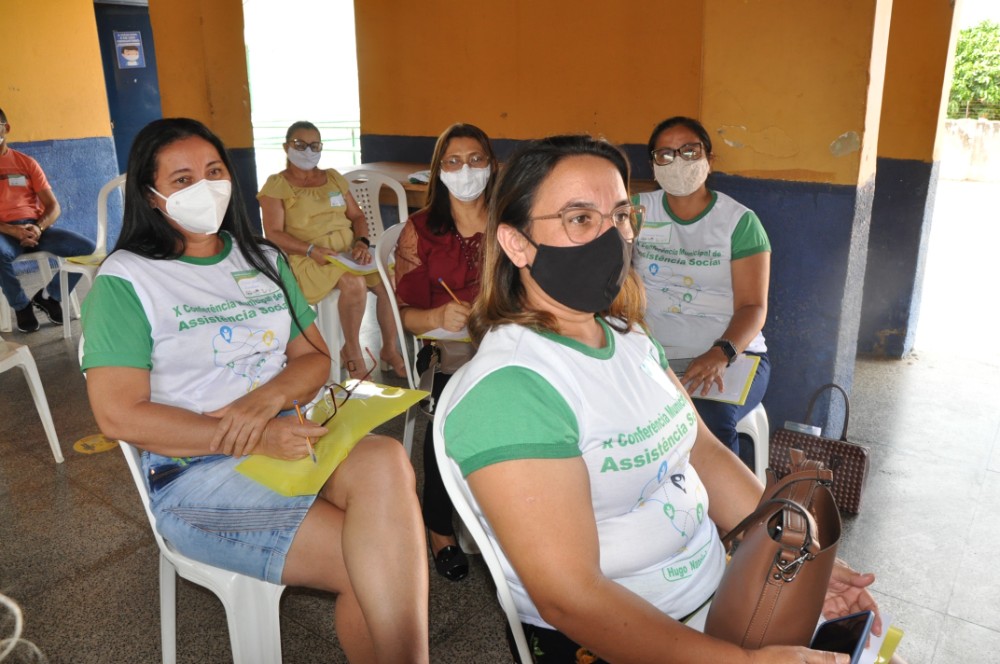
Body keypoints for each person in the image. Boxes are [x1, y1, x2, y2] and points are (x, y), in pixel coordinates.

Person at [439, 134, 893, 663]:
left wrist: (800, 560)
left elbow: (704, 453)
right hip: (623, 637)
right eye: (580, 218)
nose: (611, 238)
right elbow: (571, 597)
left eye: (620, 215)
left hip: (720, 588)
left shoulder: (627, 336)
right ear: (517, 243)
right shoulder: (511, 393)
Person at [81, 117, 429, 664]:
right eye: (182, 179)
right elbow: (120, 416)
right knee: (380, 562)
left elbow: (315, 357)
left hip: (290, 434)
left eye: (215, 171)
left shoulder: (264, 260)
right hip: (194, 469)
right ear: (150, 197)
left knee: (385, 461)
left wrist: (263, 404)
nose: (205, 187)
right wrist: (252, 435)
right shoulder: (128, 281)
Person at [632, 116, 772, 468]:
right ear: (652, 163)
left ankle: (728, 520)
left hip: (730, 355)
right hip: (650, 355)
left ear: (709, 158)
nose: (677, 161)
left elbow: (753, 306)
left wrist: (720, 353)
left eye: (689, 151)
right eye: (664, 154)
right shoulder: (634, 211)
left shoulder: (739, 222)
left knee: (707, 420)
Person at [394, 123, 497, 581]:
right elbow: (404, 316)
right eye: (453, 161)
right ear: (439, 171)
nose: (466, 171)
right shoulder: (420, 231)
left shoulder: (511, 220)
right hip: (449, 353)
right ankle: (440, 529)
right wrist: (437, 317)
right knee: (450, 415)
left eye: (476, 159)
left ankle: (507, 514)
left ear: (492, 165)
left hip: (506, 343)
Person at [258, 121, 406, 380]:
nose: (308, 151)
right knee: (354, 284)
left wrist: (361, 243)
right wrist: (311, 249)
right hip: (306, 257)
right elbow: (273, 234)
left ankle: (389, 350)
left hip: (346, 253)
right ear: (286, 147)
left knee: (390, 281)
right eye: (300, 145)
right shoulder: (277, 185)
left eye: (314, 145)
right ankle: (352, 352)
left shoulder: (333, 178)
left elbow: (358, 217)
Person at [0, 106, 96, 333]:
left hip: (36, 227)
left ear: (6, 128)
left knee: (87, 248)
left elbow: (53, 207)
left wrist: (39, 227)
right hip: (3, 233)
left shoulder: (26, 163)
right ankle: (21, 306)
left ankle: (50, 296)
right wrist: (13, 231)